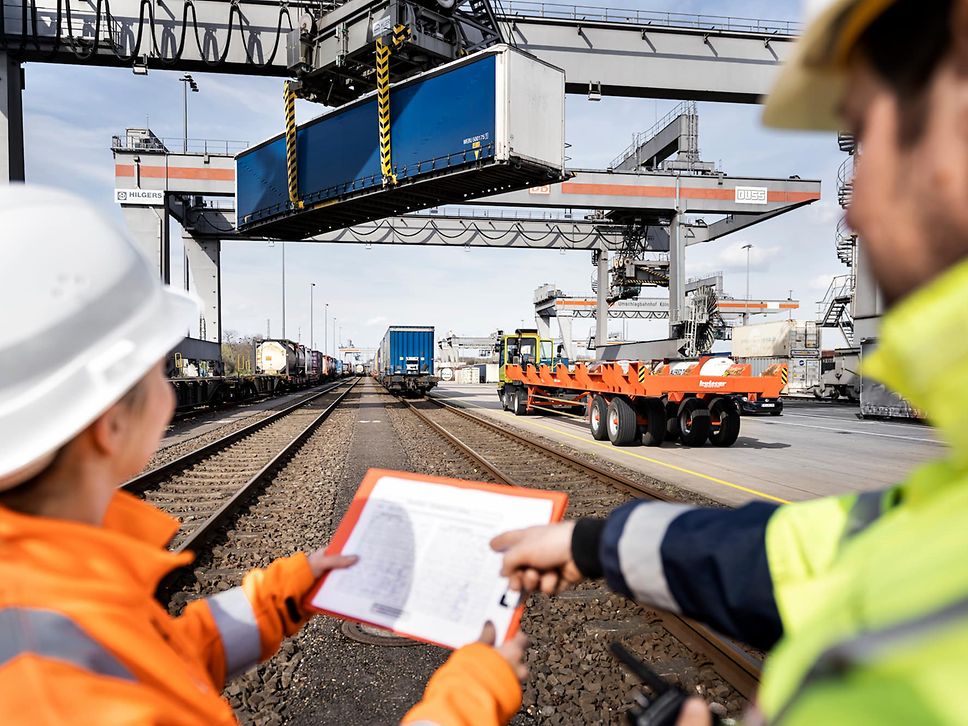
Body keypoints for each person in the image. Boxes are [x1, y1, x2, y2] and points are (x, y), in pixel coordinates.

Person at [492, 0, 968, 723]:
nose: (851, 210)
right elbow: (823, 556)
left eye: (875, 138)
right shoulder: (939, 509)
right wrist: (599, 541)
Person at [0, 185, 524, 725]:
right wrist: (473, 694)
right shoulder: (55, 685)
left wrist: (285, 593)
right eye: (158, 370)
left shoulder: (46, 589)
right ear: (109, 422)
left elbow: (158, 657)